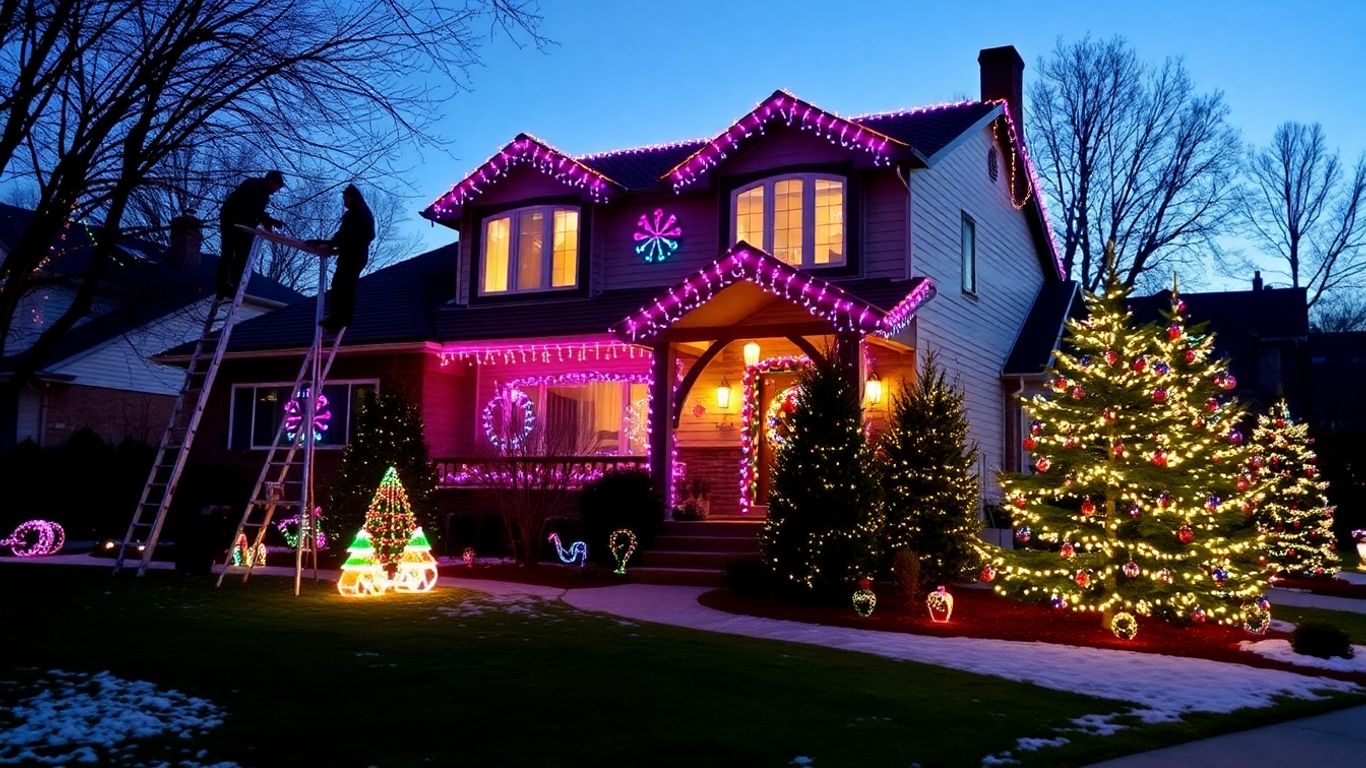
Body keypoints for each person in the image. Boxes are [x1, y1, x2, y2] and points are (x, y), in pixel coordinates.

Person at [216, 170, 285, 300]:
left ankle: (232, 286)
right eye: (277, 186)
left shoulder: (264, 196)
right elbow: (250, 206)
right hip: (232, 222)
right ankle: (222, 286)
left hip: (245, 226)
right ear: (271, 181)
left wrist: (266, 223)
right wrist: (267, 219)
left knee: (243, 257)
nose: (276, 190)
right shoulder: (253, 185)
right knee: (229, 254)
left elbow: (256, 212)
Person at [315, 183, 374, 333]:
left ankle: (340, 319)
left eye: (345, 198)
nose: (344, 202)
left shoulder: (358, 213)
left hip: (353, 255)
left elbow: (350, 234)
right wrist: (332, 243)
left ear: (352, 197)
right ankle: (339, 318)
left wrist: (333, 244)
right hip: (353, 254)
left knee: (342, 286)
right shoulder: (358, 213)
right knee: (344, 286)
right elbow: (345, 234)